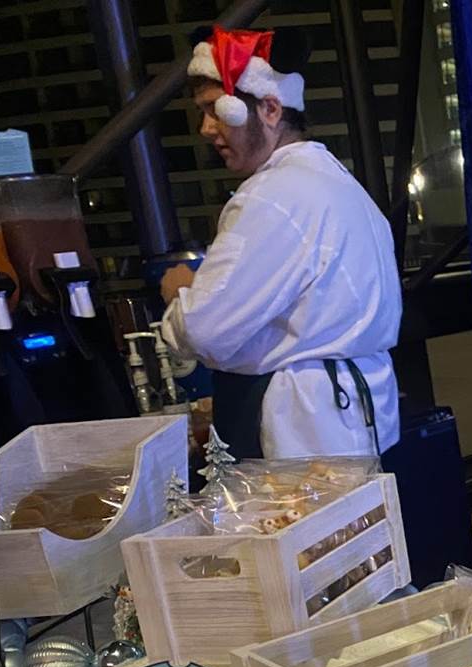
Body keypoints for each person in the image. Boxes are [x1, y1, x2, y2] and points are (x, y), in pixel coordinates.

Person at [158, 25, 402, 459]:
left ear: (270, 108)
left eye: (214, 109)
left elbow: (205, 331)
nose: (206, 128)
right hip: (354, 411)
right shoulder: (338, 182)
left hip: (305, 429)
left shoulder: (271, 197)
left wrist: (179, 294)